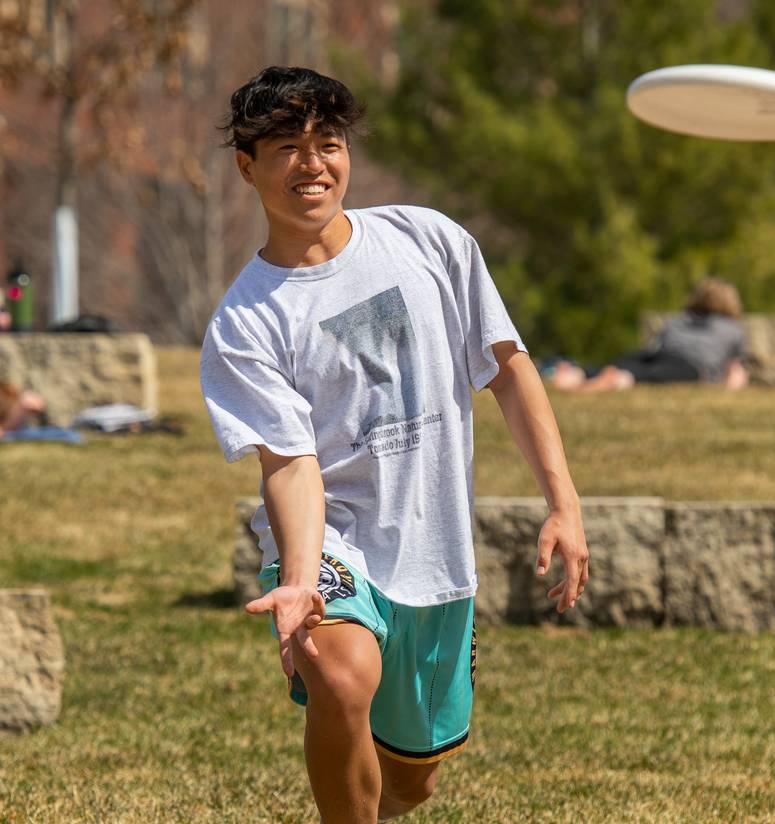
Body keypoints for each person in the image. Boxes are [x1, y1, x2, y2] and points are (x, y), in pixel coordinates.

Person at [199, 66, 588, 823]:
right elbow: (291, 463)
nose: (310, 163)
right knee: (337, 674)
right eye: (285, 146)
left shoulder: (429, 240)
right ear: (248, 166)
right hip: (336, 541)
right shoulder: (245, 321)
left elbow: (508, 371)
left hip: (434, 556)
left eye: (328, 142)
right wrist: (304, 576)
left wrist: (563, 506)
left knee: (411, 783)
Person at [547, 278, 750, 392]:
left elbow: (659, 342)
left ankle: (578, 373)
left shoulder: (679, 320)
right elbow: (735, 372)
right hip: (692, 365)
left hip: (658, 353)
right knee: (644, 376)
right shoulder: (732, 329)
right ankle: (616, 379)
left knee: (625, 363)